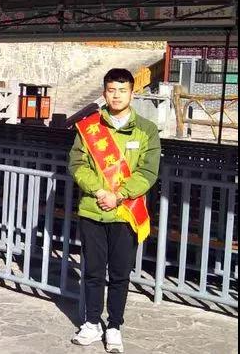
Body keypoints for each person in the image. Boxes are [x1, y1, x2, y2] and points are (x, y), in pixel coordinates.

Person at [69, 68, 161, 353]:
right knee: (93, 271)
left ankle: (114, 326)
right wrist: (100, 191)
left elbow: (148, 171)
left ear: (132, 93)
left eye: (122, 90)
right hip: (93, 209)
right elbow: (77, 165)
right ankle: (92, 322)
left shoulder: (146, 129)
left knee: (120, 274)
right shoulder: (89, 127)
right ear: (104, 93)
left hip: (125, 212)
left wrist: (119, 195)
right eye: (111, 90)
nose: (117, 95)